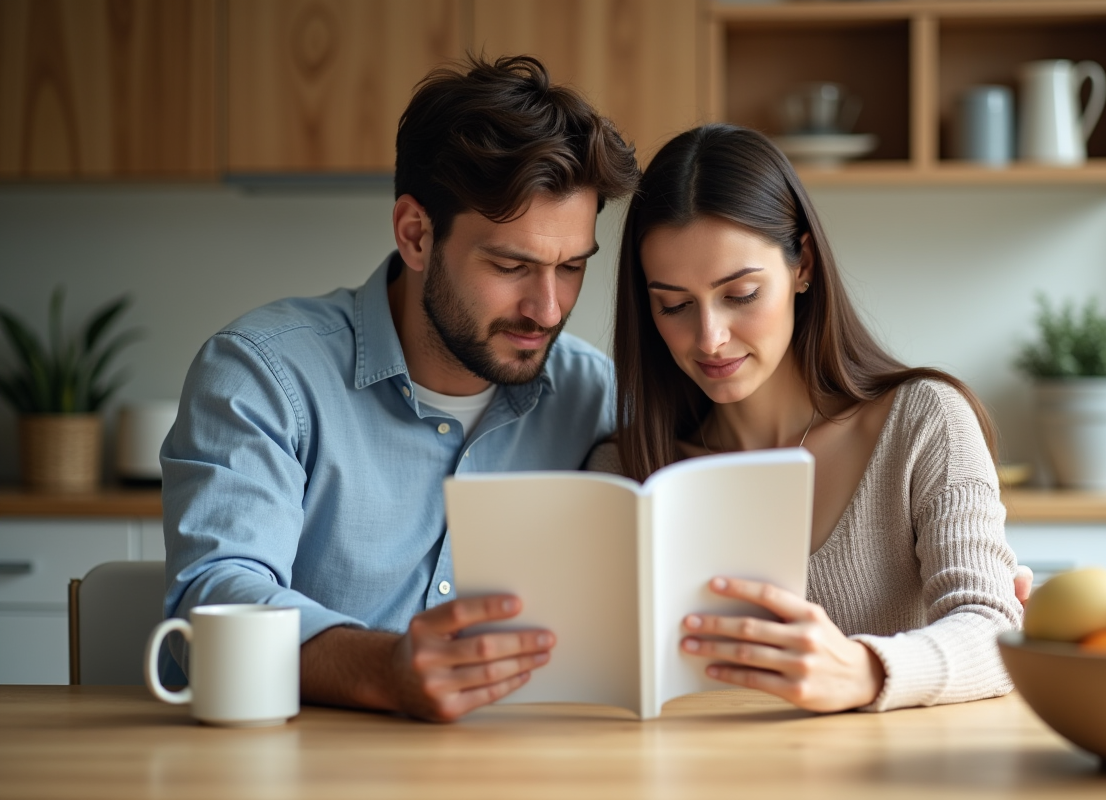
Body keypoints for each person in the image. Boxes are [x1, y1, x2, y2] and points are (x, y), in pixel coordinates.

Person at [162, 55, 640, 722]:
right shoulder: (264, 375)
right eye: (511, 265)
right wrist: (382, 669)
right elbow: (218, 597)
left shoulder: (596, 398)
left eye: (571, 268)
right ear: (416, 234)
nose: (549, 309)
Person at [590, 123, 1025, 713]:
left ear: (804, 266)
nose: (710, 338)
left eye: (740, 294)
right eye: (674, 305)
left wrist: (866, 671)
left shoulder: (922, 423)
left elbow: (992, 631)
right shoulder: (628, 470)